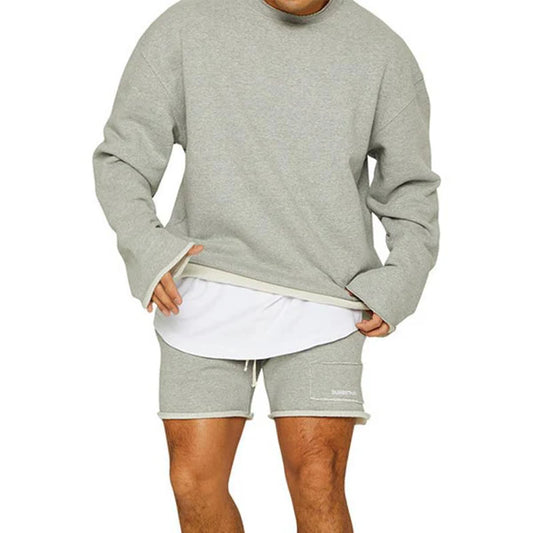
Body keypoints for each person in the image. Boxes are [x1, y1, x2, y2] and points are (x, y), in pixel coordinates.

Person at [93, 0, 441, 530]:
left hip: (328, 298)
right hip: (202, 288)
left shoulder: (381, 51)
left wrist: (402, 279)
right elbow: (123, 158)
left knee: (318, 479)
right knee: (193, 483)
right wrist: (147, 247)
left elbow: (410, 187)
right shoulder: (185, 29)